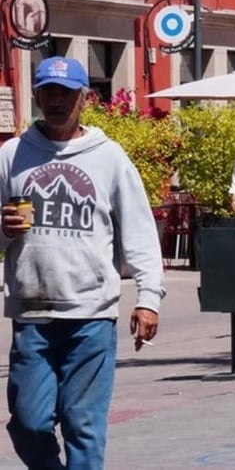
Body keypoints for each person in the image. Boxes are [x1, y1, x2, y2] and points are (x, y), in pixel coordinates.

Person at [0, 56, 164, 468]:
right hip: (32, 314)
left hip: (91, 315)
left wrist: (149, 298)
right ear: (35, 94)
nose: (57, 101)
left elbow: (140, 232)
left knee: (82, 426)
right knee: (28, 423)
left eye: (67, 93)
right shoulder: (11, 155)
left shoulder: (109, 157)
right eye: (49, 92)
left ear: (84, 98)